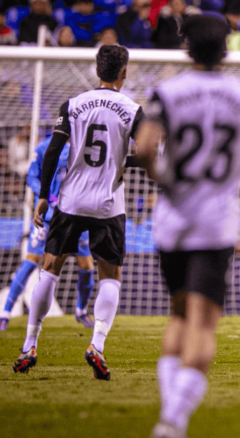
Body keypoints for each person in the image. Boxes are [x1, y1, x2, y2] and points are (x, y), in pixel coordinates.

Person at [133, 14, 240, 438]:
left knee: (177, 315)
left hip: (172, 220)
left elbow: (144, 149)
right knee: (203, 323)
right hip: (215, 223)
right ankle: (173, 419)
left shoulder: (167, 93)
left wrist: (167, 179)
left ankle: (171, 414)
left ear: (186, 47)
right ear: (227, 48)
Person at [12, 45, 143, 381]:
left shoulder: (72, 105)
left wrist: (43, 196)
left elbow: (54, 150)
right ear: (123, 72)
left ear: (96, 70)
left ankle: (29, 344)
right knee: (110, 276)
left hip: (70, 201)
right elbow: (148, 153)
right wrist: (125, 162)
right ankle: (96, 345)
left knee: (50, 267)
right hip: (108, 205)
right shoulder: (132, 110)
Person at [0, 137, 96, 332]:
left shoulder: (84, 147)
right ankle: (6, 313)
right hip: (48, 216)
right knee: (31, 261)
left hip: (76, 215)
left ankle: (81, 311)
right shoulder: (45, 146)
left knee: (86, 265)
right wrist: (48, 197)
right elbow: (31, 177)